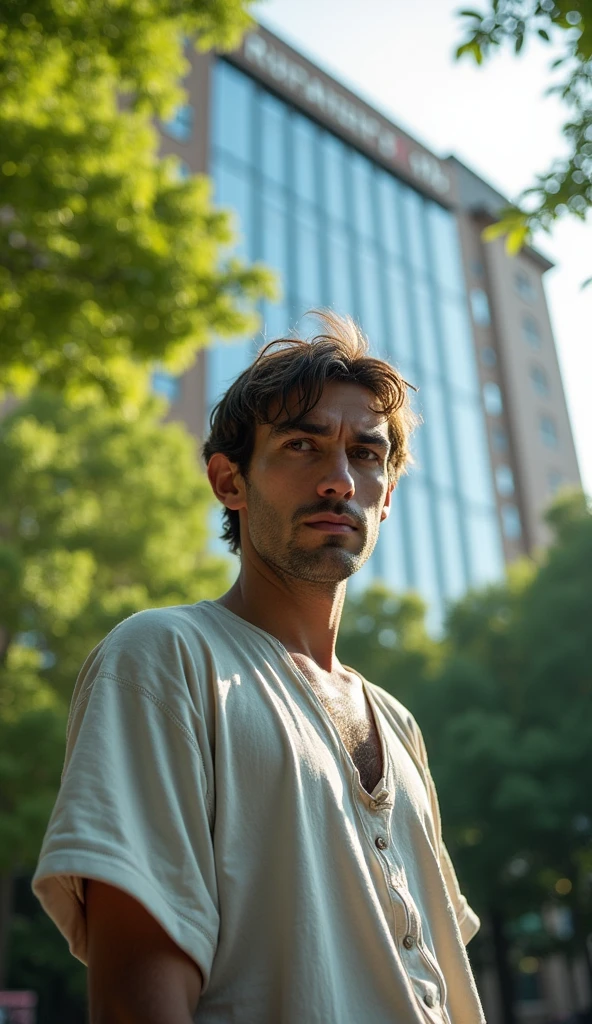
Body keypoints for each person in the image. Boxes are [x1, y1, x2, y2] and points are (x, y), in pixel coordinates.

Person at [32, 311, 485, 1023]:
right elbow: (133, 998)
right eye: (302, 446)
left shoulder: (399, 723)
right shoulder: (165, 657)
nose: (339, 480)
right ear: (228, 481)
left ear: (388, 496)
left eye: (367, 456)